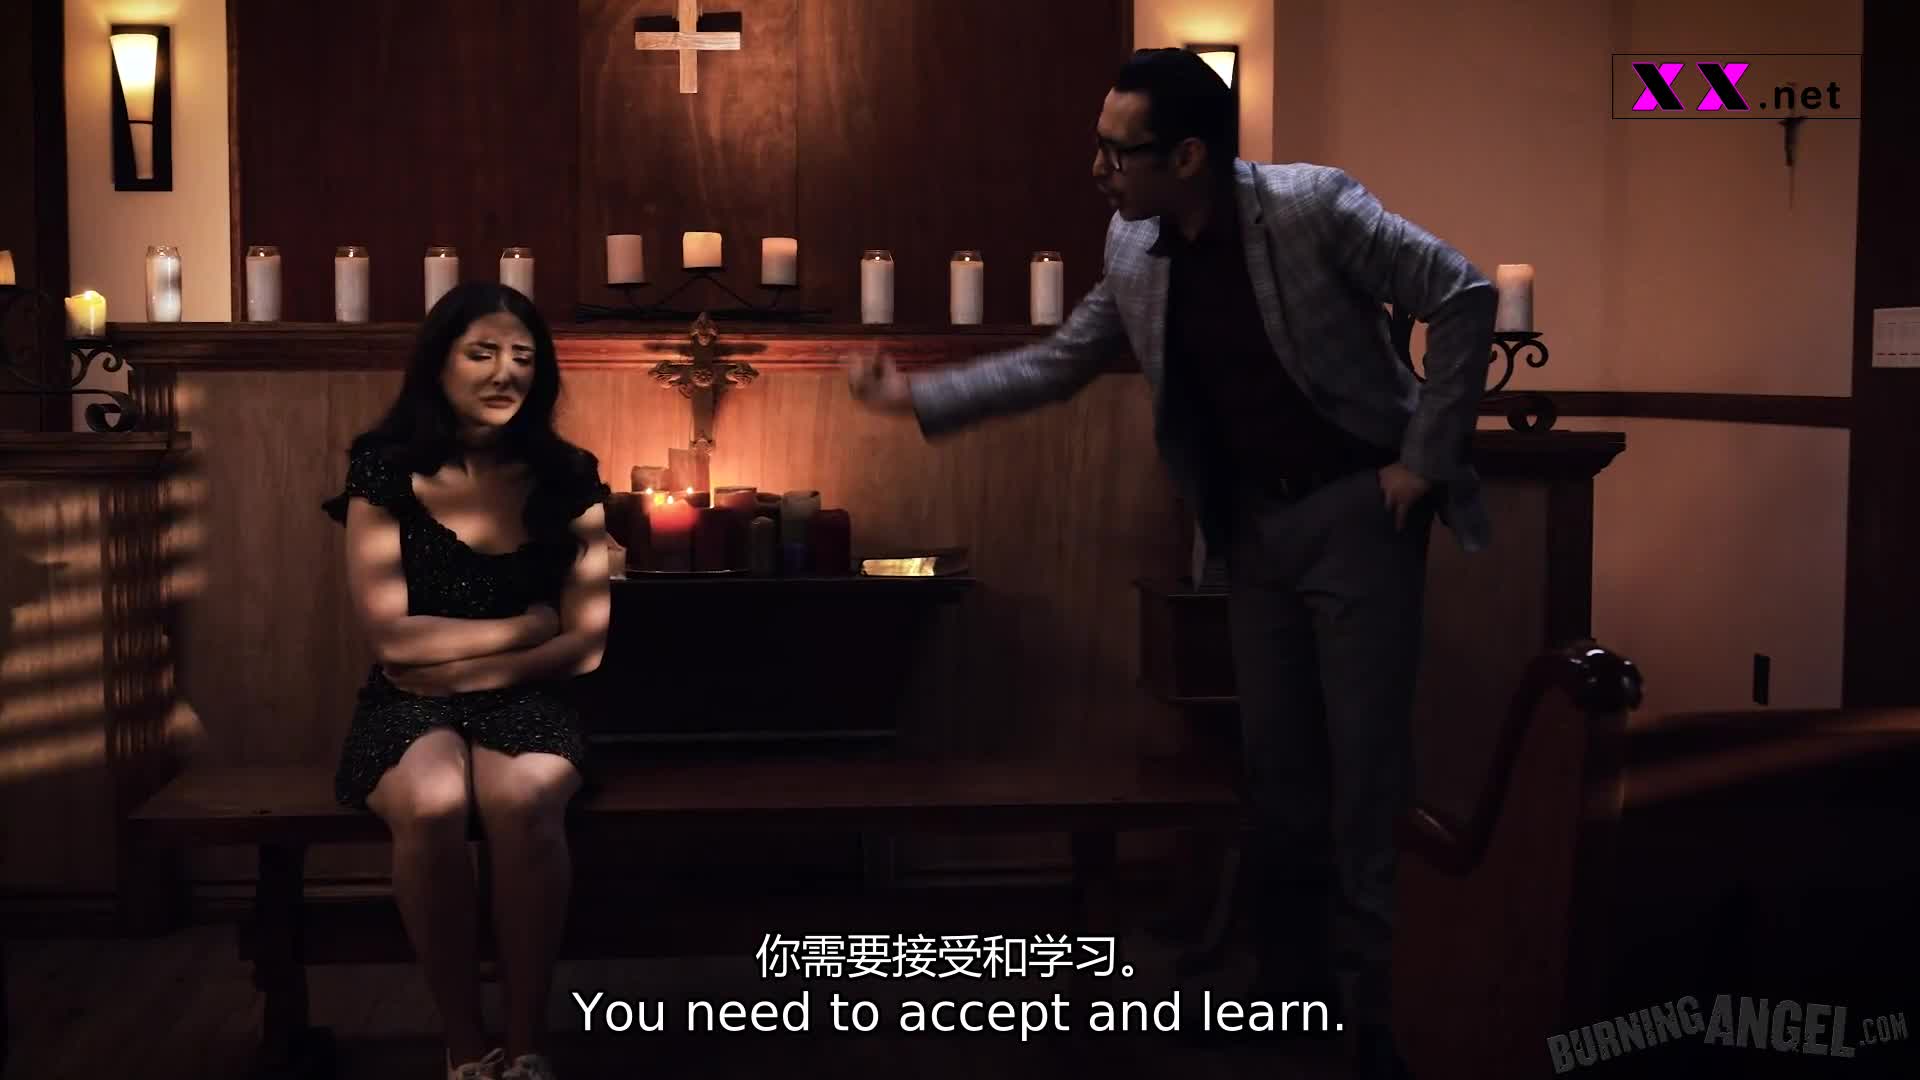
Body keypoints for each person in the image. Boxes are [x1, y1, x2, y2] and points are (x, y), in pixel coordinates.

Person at [848, 47, 1495, 1080]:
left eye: (1119, 152)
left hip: (1356, 512)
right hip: (1251, 530)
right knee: (1279, 778)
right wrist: (918, 398)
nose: (1098, 170)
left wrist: (1426, 458)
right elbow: (1065, 362)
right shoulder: (1134, 243)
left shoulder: (1312, 206)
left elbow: (1461, 294)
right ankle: (1291, 1010)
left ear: (1187, 155)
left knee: (1365, 773)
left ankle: (1374, 1020)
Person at [321, 282, 612, 1080]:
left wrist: (476, 667)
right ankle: (464, 1047)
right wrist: (525, 626)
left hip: (528, 695)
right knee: (433, 802)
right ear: (439, 363)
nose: (504, 372)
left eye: (523, 356)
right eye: (481, 352)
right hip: (408, 702)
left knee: (523, 800)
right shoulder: (382, 470)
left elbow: (587, 644)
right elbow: (391, 636)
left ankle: (526, 1044)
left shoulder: (569, 475)